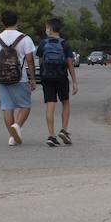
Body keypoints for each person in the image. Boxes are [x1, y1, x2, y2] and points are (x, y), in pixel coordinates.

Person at [0, 10, 37, 145]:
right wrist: (32, 78)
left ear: (3, 22)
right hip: (20, 78)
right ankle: (18, 126)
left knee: (7, 107)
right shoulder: (25, 38)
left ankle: (11, 137)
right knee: (25, 105)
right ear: (17, 21)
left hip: (2, 78)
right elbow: (30, 60)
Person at [37, 17, 79, 147]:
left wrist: (40, 76)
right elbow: (70, 63)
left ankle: (51, 135)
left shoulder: (43, 44)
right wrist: (74, 81)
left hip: (47, 78)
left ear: (49, 29)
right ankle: (64, 130)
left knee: (50, 104)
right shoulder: (64, 44)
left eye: (46, 27)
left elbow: (40, 61)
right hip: (61, 77)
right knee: (65, 102)